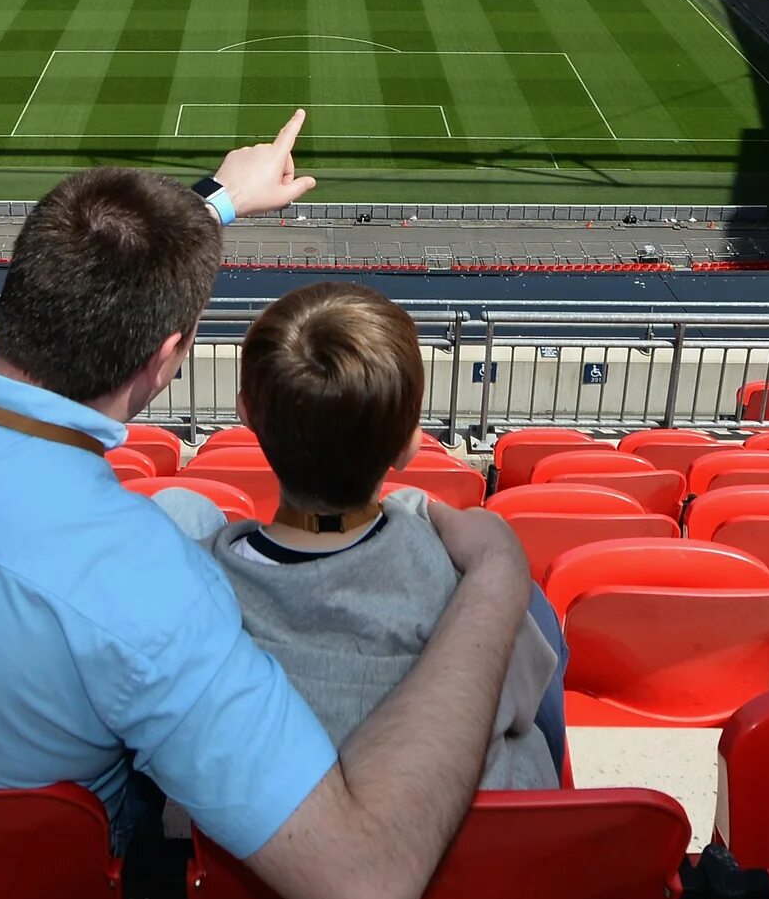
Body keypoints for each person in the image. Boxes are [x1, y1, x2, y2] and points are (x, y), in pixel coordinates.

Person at [0, 112, 533, 899]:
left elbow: (7, 333)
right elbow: (368, 891)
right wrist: (495, 581)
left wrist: (215, 205)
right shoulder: (143, 585)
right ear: (166, 358)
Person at [179, 281, 561, 788]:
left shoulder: (187, 589)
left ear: (245, 413)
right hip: (474, 838)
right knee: (534, 608)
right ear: (410, 447)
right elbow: (524, 699)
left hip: (240, 847)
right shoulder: (459, 583)